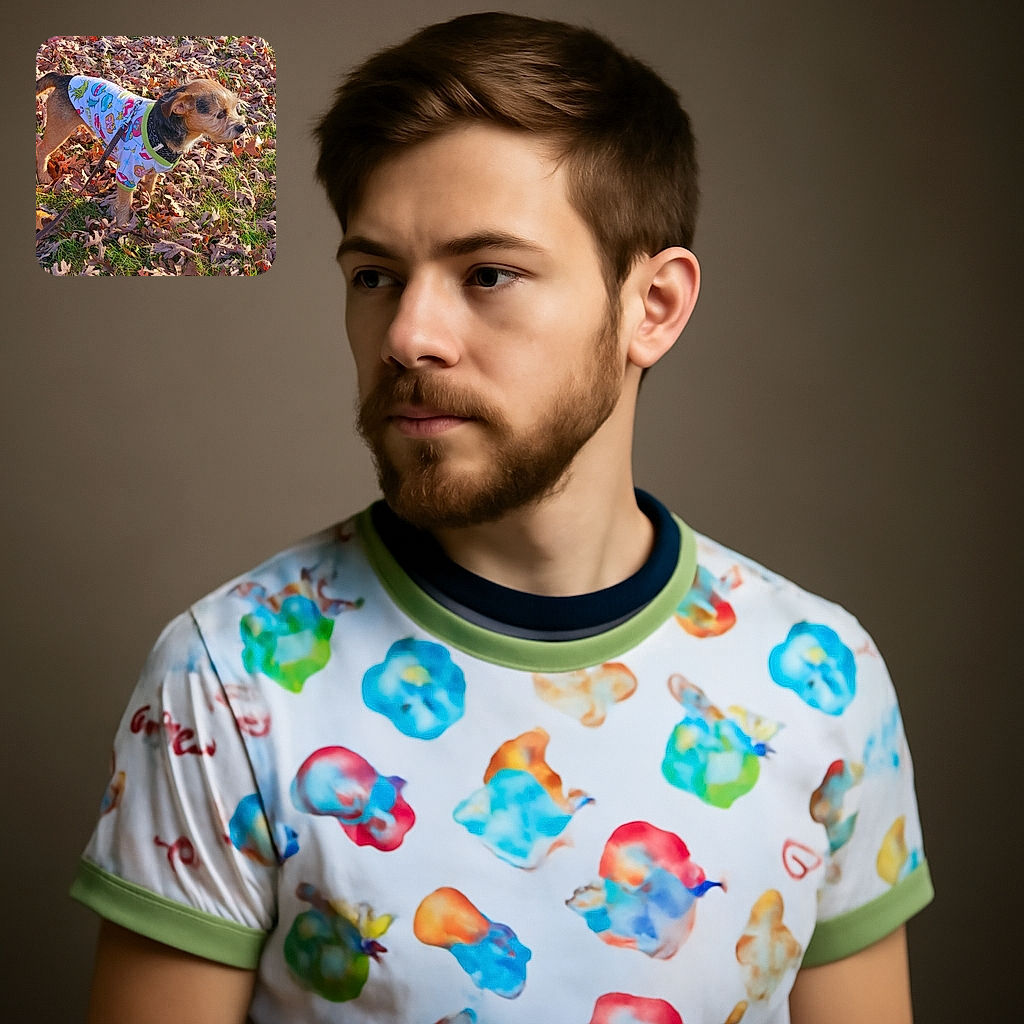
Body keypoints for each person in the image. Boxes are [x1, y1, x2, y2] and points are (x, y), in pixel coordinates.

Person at [73, 12, 932, 1024]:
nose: (407, 335)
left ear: (653, 306)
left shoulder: (824, 678)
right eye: (374, 276)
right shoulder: (226, 680)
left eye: (488, 274)